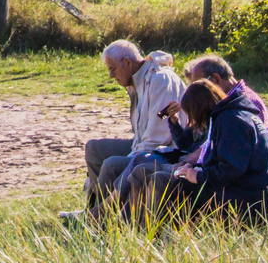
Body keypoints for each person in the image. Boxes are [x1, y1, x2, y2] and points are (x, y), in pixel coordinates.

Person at [128, 78, 268, 222]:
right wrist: (194, 170)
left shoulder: (232, 121)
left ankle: (157, 236)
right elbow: (224, 161)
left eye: (193, 116)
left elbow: (232, 169)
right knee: (160, 177)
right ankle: (142, 231)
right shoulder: (228, 115)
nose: (194, 122)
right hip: (245, 191)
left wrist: (198, 176)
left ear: (200, 110)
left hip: (250, 202)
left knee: (173, 185)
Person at [69, 40, 184, 219]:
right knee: (94, 148)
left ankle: (98, 220)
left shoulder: (160, 80)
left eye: (112, 69)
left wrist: (129, 161)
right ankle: (91, 208)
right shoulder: (137, 82)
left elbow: (159, 133)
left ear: (127, 62)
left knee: (112, 164)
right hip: (143, 145)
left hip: (168, 150)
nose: (111, 76)